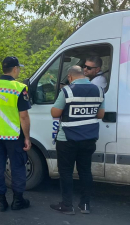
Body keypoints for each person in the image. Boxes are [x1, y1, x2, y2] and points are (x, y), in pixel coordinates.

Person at [50, 66, 105, 215]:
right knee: (85, 171)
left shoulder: (67, 90)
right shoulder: (98, 90)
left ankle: (67, 205)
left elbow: (55, 112)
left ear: (70, 77)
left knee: (66, 172)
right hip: (89, 138)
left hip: (67, 138)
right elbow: (100, 115)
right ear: (83, 75)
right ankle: (85, 205)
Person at [0, 56, 32, 212]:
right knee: (17, 167)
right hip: (13, 136)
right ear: (15, 69)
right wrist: (27, 137)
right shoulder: (19, 87)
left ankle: (1, 202)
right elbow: (23, 116)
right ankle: (18, 201)